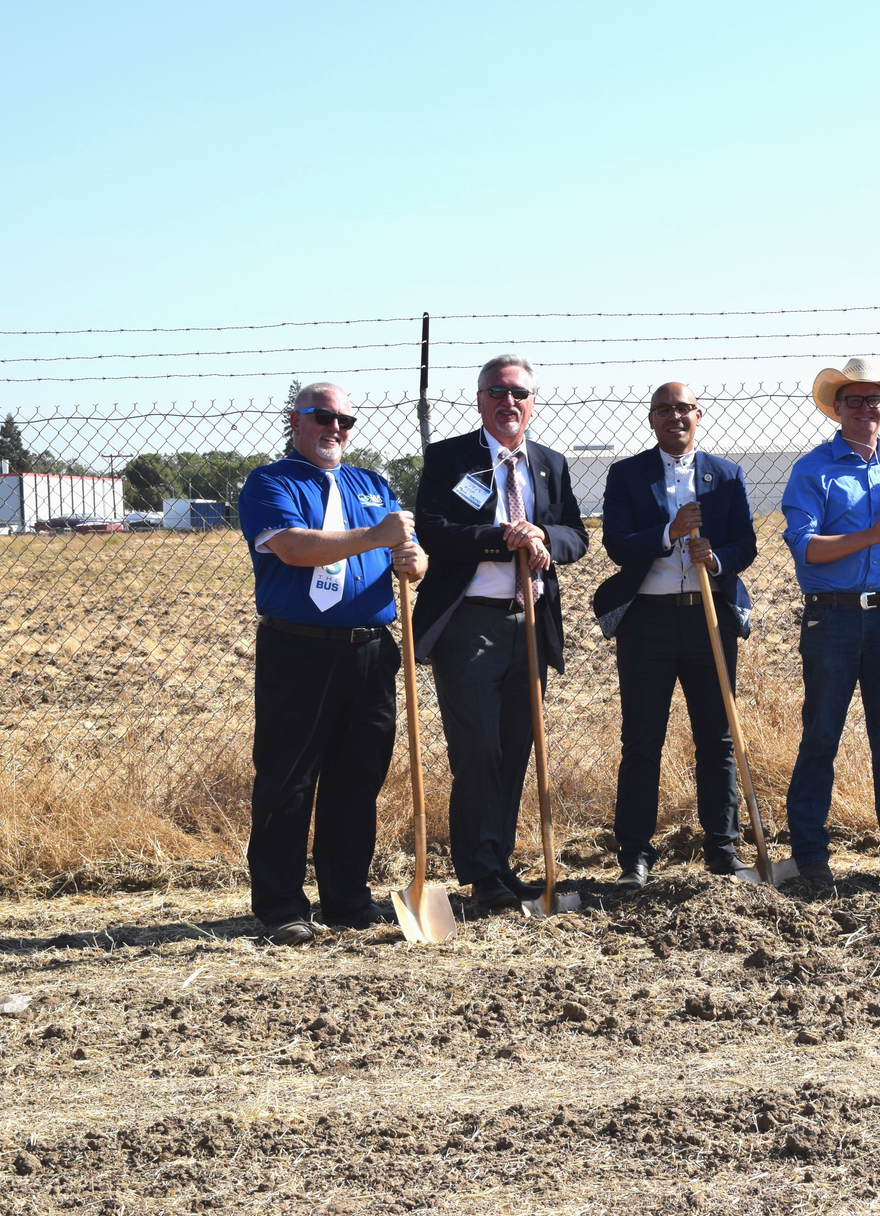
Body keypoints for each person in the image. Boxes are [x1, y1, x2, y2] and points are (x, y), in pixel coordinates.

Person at [237, 382, 429, 945]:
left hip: (370, 649)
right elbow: (295, 548)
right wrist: (377, 535)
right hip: (299, 650)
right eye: (323, 416)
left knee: (357, 777)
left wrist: (413, 559)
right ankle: (281, 906)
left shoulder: (373, 485)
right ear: (295, 421)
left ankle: (346, 898)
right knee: (288, 778)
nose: (336, 428)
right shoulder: (271, 482)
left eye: (346, 420)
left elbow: (408, 555)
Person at [411, 354, 589, 910]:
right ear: (479, 400)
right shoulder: (450, 458)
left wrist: (544, 537)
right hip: (469, 623)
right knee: (479, 747)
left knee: (516, 746)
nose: (508, 402)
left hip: (529, 622)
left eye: (518, 393)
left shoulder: (551, 464)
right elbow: (434, 530)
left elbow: (577, 536)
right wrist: (501, 537)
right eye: (496, 392)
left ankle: (501, 863)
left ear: (532, 401)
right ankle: (480, 871)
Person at [594, 382, 757, 886]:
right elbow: (617, 545)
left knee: (718, 736)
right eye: (663, 410)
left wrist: (718, 558)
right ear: (652, 419)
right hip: (648, 621)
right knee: (642, 739)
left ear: (698, 415)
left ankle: (722, 848)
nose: (674, 417)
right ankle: (635, 855)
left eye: (683, 408)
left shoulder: (725, 475)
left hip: (709, 618)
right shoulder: (626, 474)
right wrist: (670, 532)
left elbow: (746, 543)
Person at [780, 358, 880, 888]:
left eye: (873, 399)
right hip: (832, 618)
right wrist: (871, 535)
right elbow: (806, 548)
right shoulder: (813, 470)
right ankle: (811, 855)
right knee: (822, 734)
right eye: (854, 400)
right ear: (837, 408)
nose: (865, 408)